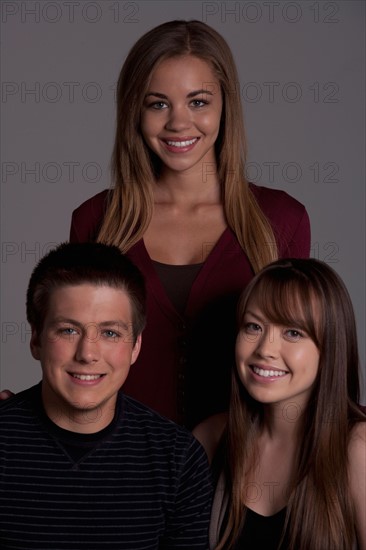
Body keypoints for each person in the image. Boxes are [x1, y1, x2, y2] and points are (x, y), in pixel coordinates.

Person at [1, 20, 311, 428]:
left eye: (198, 102)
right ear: (135, 110)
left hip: (242, 467)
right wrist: (20, 412)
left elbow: (302, 357)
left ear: (225, 105)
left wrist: (347, 427)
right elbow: (78, 349)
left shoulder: (281, 220)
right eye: (158, 104)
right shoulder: (97, 220)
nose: (178, 123)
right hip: (125, 468)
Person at [0, 242, 212, 550]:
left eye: (110, 333)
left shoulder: (177, 459)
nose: (87, 353)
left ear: (136, 346)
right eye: (68, 330)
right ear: (36, 340)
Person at [193, 258, 366, 550]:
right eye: (254, 326)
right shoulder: (210, 437)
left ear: (330, 348)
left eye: (293, 332)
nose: (265, 350)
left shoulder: (358, 447)